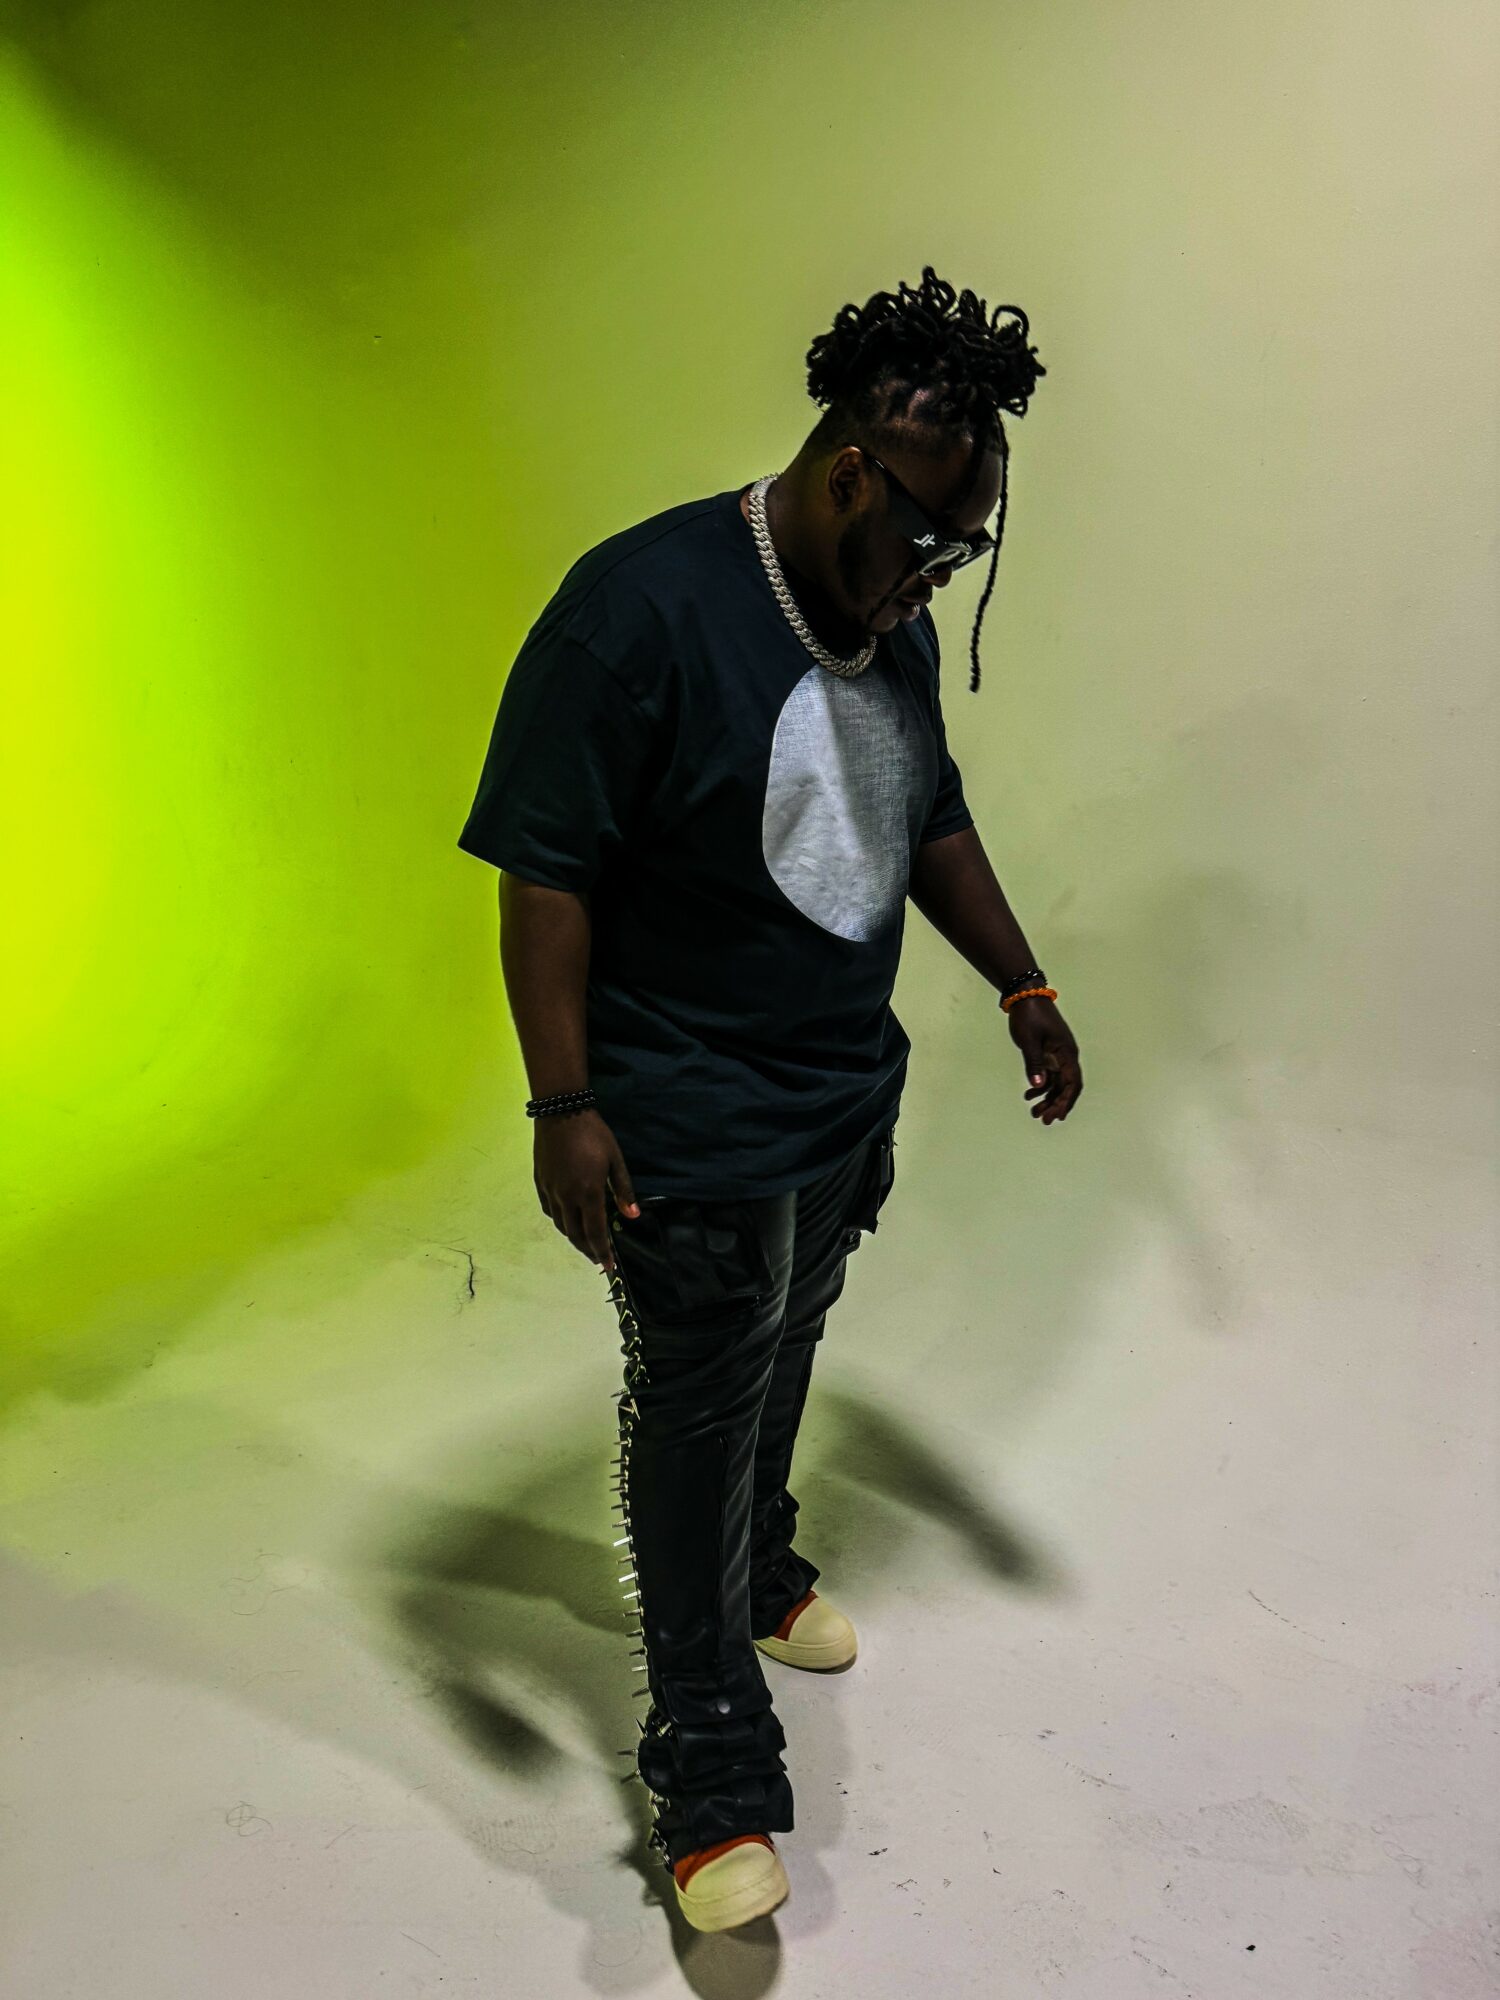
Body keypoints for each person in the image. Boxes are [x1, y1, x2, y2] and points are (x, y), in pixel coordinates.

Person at [457, 266, 1083, 1932]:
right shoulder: (637, 614)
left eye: (973, 553)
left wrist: (1020, 985)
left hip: (831, 1096)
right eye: (937, 540)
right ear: (854, 472)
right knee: (700, 1395)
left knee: (789, 1339)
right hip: (683, 1113)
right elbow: (544, 873)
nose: (946, 576)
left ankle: (757, 1567)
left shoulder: (885, 619)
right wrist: (564, 1103)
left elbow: (925, 808)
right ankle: (709, 1765)